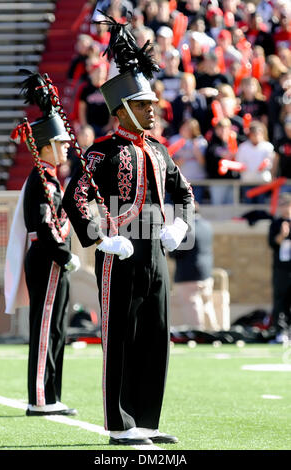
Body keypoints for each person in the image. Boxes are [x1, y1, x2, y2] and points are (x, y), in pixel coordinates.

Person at [63, 13, 194, 446]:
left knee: (157, 337)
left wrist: (180, 225)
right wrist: (101, 237)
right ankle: (120, 425)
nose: (153, 109)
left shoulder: (159, 150)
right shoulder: (101, 151)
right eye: (144, 105)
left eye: (153, 103)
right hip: (119, 251)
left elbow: (186, 194)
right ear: (122, 110)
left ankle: (147, 421)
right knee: (121, 336)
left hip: (156, 249)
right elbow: (75, 197)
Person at [5, 71, 81, 416]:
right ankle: (39, 398)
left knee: (57, 328)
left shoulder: (52, 179)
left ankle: (51, 394)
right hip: (47, 258)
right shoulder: (41, 180)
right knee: (45, 325)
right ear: (47, 147)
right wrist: (64, 255)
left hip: (55, 258)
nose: (66, 147)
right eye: (61, 143)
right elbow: (43, 225)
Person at [170, 202, 219, 331]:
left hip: (188, 275)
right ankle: (214, 331)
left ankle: (198, 332)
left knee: (192, 304)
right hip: (206, 274)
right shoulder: (207, 226)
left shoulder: (187, 229)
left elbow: (175, 252)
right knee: (207, 304)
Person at [268, 193, 291, 340]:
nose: (283, 208)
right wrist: (282, 235)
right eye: (280, 204)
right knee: (280, 299)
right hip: (281, 269)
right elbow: (271, 243)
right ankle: (280, 331)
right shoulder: (276, 223)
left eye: (285, 204)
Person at [235, 120, 274, 203]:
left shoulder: (268, 147)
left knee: (261, 207)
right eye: (254, 134)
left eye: (258, 134)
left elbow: (270, 164)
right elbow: (240, 163)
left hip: (262, 182)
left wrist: (262, 167)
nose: (256, 136)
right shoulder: (243, 147)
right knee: (248, 208)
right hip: (247, 182)